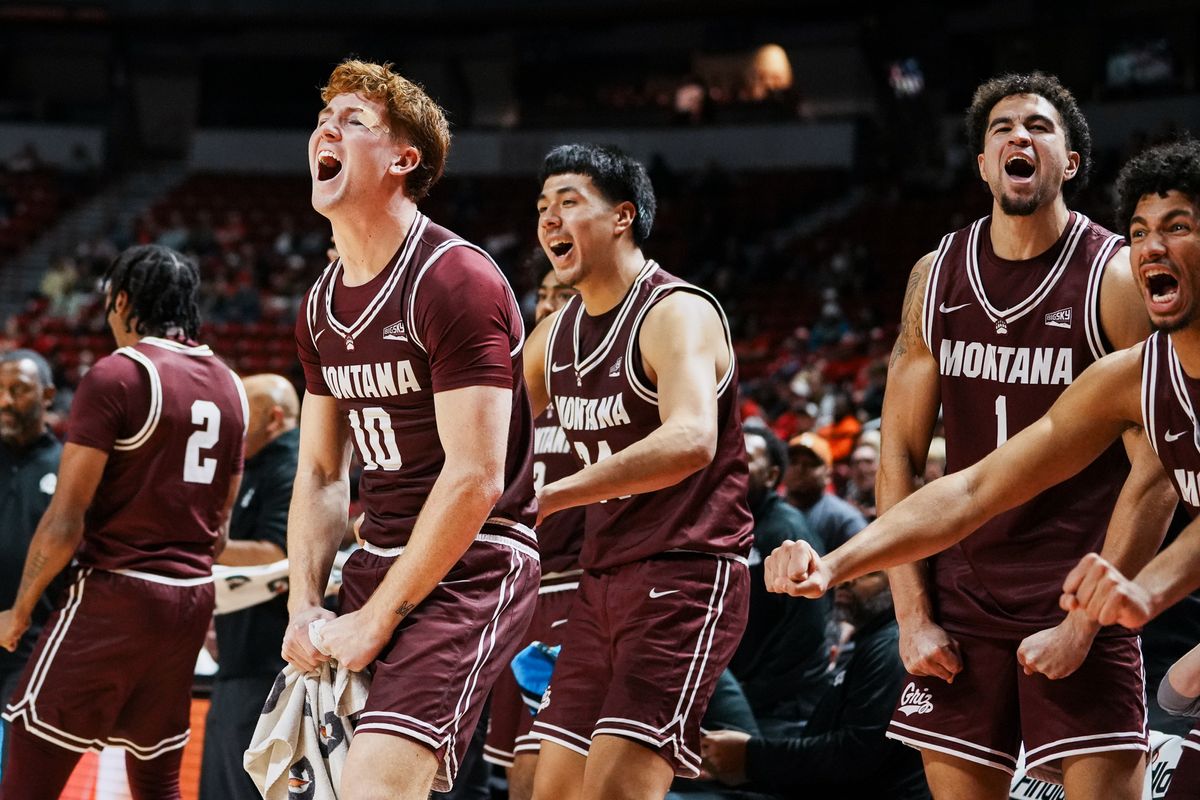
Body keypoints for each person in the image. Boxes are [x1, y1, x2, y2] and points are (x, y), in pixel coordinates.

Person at [765, 136, 1199, 800]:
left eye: (1178, 227)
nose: (1151, 248)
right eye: (1139, 231)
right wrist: (836, 565)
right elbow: (973, 488)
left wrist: (1146, 590)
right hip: (984, 602)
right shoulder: (1131, 378)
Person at [280, 59, 539, 800]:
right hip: (377, 557)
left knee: (374, 789)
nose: (327, 130)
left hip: (474, 563)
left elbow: (476, 477)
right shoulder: (319, 306)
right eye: (324, 121)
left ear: (404, 159)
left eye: (353, 122)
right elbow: (324, 474)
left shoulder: (455, 279)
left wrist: (377, 616)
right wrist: (306, 602)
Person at [522, 143, 752, 800]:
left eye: (569, 203)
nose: (549, 220)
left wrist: (553, 494)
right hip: (601, 579)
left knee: (615, 790)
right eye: (542, 208)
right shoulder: (554, 337)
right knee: (553, 790)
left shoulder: (676, 312)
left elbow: (689, 439)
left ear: (623, 217)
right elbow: (486, 432)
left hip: (686, 570)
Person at [0, 244, 247, 800]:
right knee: (157, 776)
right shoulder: (233, 387)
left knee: (31, 748)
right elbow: (221, 530)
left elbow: (65, 519)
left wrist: (19, 612)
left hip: (116, 594)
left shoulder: (119, 375)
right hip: (190, 600)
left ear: (123, 301)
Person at [484, 264, 584, 800]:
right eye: (542, 295)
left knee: (552, 760)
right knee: (517, 764)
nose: (547, 305)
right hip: (521, 590)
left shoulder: (596, 384)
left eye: (562, 294)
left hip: (578, 582)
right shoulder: (522, 390)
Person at [700, 571, 930, 800]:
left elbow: (854, 756)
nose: (847, 579)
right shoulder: (878, 640)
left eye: (869, 573)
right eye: (851, 571)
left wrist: (751, 756)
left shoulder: (892, 648)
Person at [200, 374, 299, 800]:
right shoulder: (252, 466)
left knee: (247, 789)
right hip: (236, 656)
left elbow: (277, 550)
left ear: (274, 417)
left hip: (269, 667)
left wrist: (200, 541)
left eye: (241, 416)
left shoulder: (291, 466)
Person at [730, 422, 830, 734]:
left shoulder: (786, 530)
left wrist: (754, 690)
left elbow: (806, 629)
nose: (733, 465)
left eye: (745, 458)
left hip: (780, 706)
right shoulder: (731, 524)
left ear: (773, 476)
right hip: (745, 691)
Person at [0, 350, 62, 771]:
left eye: (17, 390)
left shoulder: (70, 465)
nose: (4, 400)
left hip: (34, 643)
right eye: (0, 391)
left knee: (14, 769)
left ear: (48, 396)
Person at [783, 432, 866, 550]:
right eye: (793, 462)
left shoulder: (844, 519)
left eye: (810, 464)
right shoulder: (769, 510)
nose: (799, 469)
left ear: (828, 474)